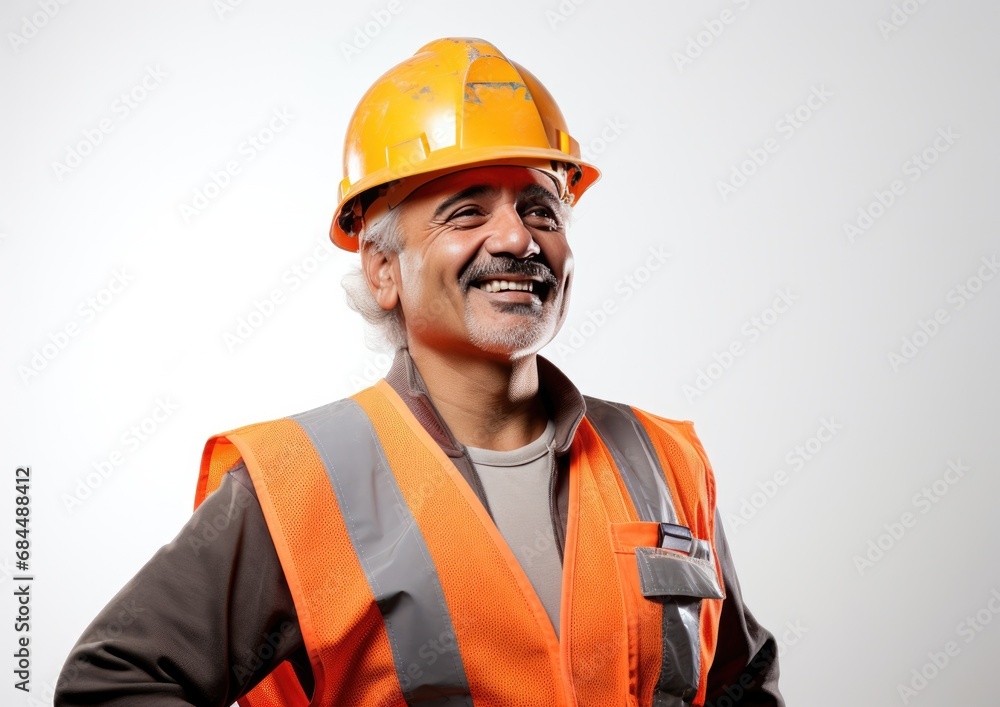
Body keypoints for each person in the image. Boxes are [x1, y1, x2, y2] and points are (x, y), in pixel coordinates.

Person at [55, 37, 784, 706]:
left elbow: (744, 686)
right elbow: (114, 679)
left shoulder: (666, 462)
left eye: (542, 208)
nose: (516, 237)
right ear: (382, 269)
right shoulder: (299, 482)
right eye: (466, 212)